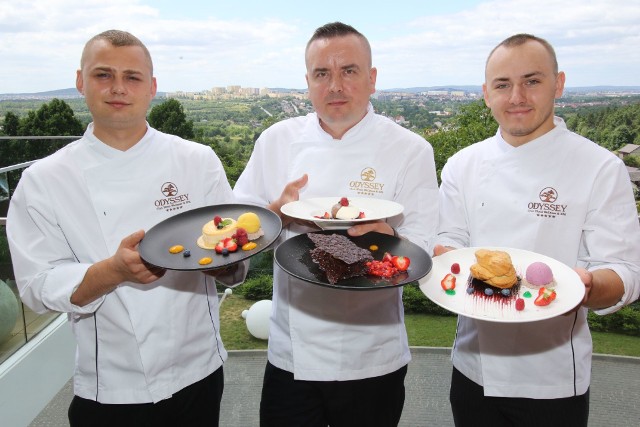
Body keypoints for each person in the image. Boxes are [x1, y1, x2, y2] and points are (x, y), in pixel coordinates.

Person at [7, 30, 244, 426]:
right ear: (81, 81)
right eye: (103, 75)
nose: (118, 88)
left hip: (199, 371)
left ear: (151, 88)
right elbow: (36, 286)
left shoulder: (197, 160)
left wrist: (221, 262)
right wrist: (112, 271)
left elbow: (233, 256)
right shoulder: (44, 180)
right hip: (110, 387)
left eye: (132, 77)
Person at [233, 22, 439, 426]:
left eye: (349, 70)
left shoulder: (411, 149)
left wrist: (392, 240)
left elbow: (425, 245)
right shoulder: (275, 141)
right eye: (321, 74)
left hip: (374, 354)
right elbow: (243, 232)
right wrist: (274, 215)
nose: (335, 85)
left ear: (372, 78)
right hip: (292, 352)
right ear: (308, 81)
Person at [434, 33, 640, 426]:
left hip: (554, 380)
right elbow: (451, 242)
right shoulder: (463, 164)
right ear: (485, 93)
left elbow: (626, 270)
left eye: (532, 80)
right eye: (502, 85)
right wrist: (439, 256)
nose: (517, 97)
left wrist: (588, 286)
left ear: (558, 84)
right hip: (473, 369)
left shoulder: (599, 167)